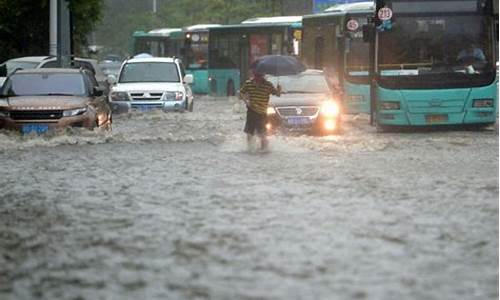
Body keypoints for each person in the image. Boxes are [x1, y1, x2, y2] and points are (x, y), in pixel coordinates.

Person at [239, 69, 281, 151]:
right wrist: (246, 101)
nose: (258, 78)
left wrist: (279, 89)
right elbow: (241, 93)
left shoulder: (268, 85)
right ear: (254, 75)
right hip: (251, 111)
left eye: (260, 76)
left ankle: (264, 149)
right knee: (249, 132)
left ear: (263, 76)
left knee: (263, 133)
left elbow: (277, 94)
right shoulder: (248, 83)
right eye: (256, 76)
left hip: (262, 113)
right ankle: (250, 148)